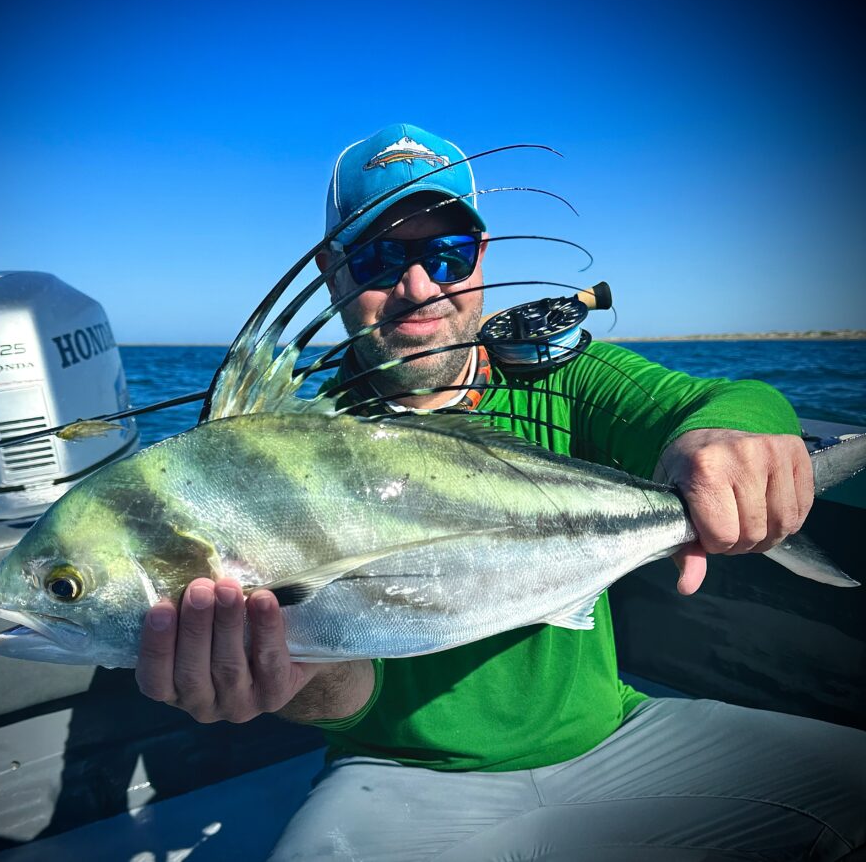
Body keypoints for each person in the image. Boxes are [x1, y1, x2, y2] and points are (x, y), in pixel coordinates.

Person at [135, 124, 866, 860]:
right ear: (333, 271)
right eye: (378, 256)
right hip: (401, 773)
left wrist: (723, 441)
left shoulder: (559, 378)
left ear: (481, 260)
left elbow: (737, 401)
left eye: (446, 253)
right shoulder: (286, 444)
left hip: (621, 737)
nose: (418, 286)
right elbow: (356, 695)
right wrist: (289, 680)